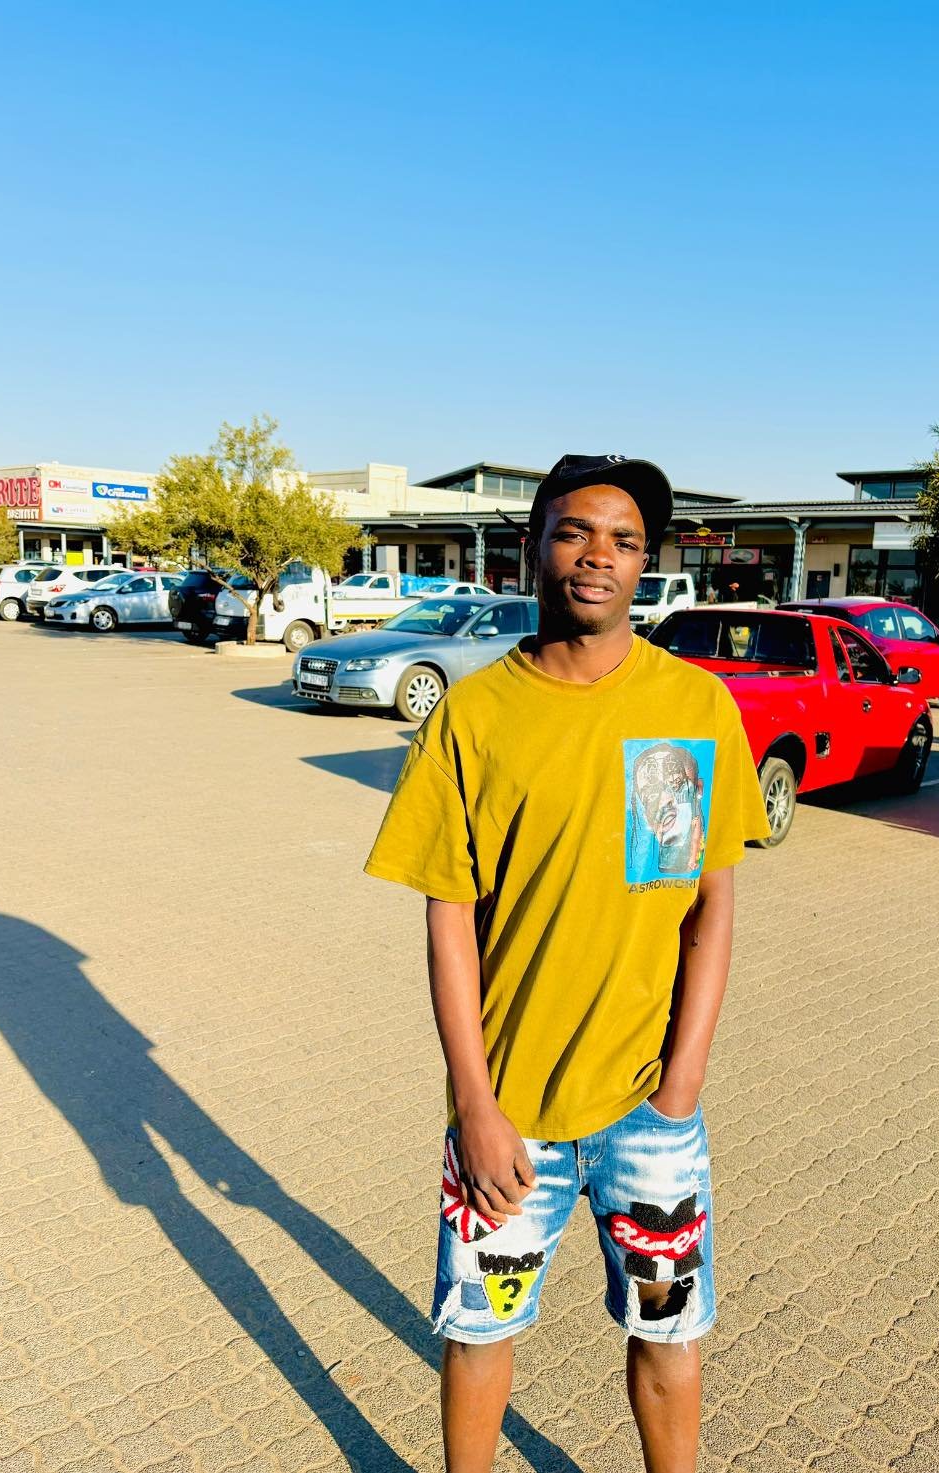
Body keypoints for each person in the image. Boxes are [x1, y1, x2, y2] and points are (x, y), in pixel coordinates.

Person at [365, 453, 769, 1472]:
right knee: (477, 1334)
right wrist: (475, 1103)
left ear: (646, 563)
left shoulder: (693, 708)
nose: (598, 555)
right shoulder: (473, 717)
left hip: (649, 1111)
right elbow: (449, 921)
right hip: (509, 1116)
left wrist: (682, 1086)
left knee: (670, 1335)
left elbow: (710, 904)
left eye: (625, 540)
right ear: (533, 545)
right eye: (575, 530)